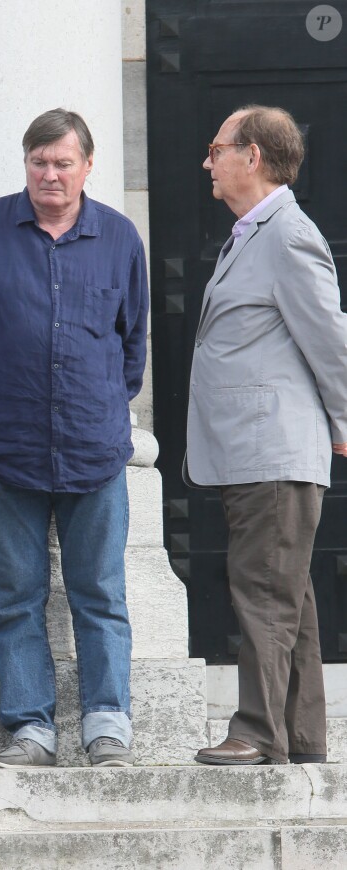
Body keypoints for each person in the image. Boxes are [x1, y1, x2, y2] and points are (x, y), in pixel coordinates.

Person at [0, 108, 149, 768]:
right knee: (14, 600)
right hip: (5, 449)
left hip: (94, 450)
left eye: (64, 162)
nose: (50, 174)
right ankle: (30, 730)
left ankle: (107, 727)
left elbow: (132, 344)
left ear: (88, 166)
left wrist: (99, 406)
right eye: (39, 161)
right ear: (25, 163)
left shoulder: (120, 237)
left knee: (101, 596)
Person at [187, 105, 347, 766]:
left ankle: (255, 731)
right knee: (288, 594)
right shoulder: (255, 232)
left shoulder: (287, 234)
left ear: (251, 156)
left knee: (263, 591)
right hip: (254, 451)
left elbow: (330, 337)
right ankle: (302, 738)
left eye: (217, 149)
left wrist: (345, 420)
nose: (207, 162)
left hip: (272, 452)